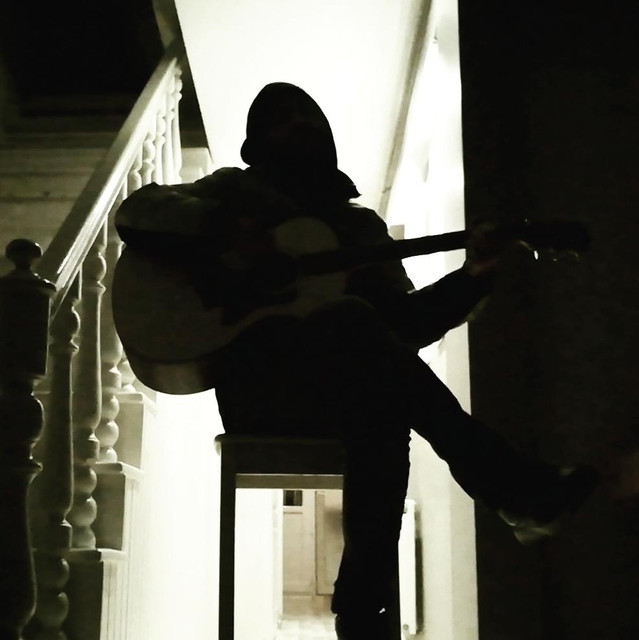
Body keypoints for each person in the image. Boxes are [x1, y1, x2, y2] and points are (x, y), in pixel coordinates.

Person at [115, 82, 599, 640]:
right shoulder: (231, 191)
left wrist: (475, 275)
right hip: (261, 392)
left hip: (345, 396)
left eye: (306, 117)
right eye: (279, 119)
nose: (296, 126)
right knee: (360, 342)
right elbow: (137, 211)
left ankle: (363, 617)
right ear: (256, 142)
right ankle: (512, 494)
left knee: (378, 392)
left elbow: (407, 326)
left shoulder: (360, 230)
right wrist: (228, 230)